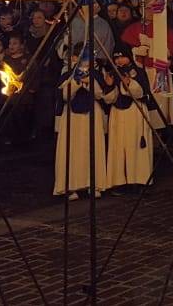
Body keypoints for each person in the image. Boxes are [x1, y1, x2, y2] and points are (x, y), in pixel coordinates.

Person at [53, 49, 114, 199]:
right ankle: (71, 186)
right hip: (72, 116)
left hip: (92, 114)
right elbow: (65, 95)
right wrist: (77, 81)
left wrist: (89, 84)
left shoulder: (97, 75)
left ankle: (93, 183)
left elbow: (101, 94)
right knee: (72, 149)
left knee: (92, 147)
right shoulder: (67, 75)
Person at [105, 46, 157, 189]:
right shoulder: (112, 73)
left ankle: (139, 179)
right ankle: (120, 182)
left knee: (135, 144)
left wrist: (130, 84)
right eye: (116, 58)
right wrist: (109, 86)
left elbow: (144, 93)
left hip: (135, 112)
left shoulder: (138, 72)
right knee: (119, 146)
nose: (119, 60)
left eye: (122, 57)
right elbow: (109, 98)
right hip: (118, 113)